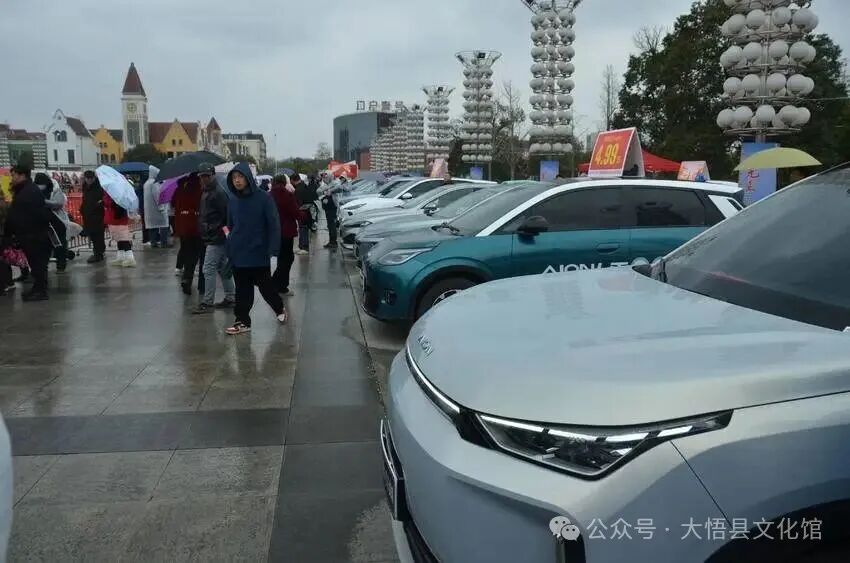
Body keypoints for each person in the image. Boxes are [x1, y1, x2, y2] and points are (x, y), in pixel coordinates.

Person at [224, 162, 286, 335]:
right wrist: (229, 245)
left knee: (266, 288)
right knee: (242, 290)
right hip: (238, 253)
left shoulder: (264, 198)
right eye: (234, 178)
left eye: (240, 177)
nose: (237, 181)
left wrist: (273, 248)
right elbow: (229, 225)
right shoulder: (233, 200)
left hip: (258, 252)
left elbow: (274, 224)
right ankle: (242, 321)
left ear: (248, 178)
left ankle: (279, 308)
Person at [4, 165, 51, 301]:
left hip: (33, 234)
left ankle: (40, 291)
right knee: (36, 264)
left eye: (13, 175)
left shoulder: (28, 191)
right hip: (30, 233)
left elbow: (26, 214)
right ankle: (38, 288)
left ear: (22, 175)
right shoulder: (26, 190)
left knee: (38, 264)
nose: (12, 178)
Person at [193, 164, 235, 314]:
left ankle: (208, 302)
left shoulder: (217, 193)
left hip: (216, 237)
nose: (204, 179)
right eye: (202, 176)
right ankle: (230, 297)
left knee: (208, 268)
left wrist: (215, 229)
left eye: (206, 176)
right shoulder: (208, 191)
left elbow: (226, 215)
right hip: (214, 235)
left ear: (212, 175)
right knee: (222, 268)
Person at [172, 174, 205, 295]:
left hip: (183, 226)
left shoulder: (180, 188)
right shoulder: (200, 189)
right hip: (197, 226)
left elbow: (173, 203)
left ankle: (187, 278)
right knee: (202, 255)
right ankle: (202, 285)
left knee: (189, 254)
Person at [270, 174, 302, 296]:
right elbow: (295, 212)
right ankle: (278, 285)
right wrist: (304, 215)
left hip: (274, 232)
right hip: (286, 231)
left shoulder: (268, 195)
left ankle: (279, 285)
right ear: (284, 182)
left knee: (281, 258)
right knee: (288, 259)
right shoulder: (287, 195)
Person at [34, 173, 70, 273]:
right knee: (44, 246)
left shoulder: (55, 189)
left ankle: (61, 265)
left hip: (57, 222)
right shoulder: (34, 191)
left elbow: (58, 203)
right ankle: (42, 268)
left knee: (59, 244)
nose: (40, 186)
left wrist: (44, 202)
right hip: (42, 222)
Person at [104, 191, 136, 268]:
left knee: (123, 239)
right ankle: (120, 257)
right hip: (116, 219)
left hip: (117, 219)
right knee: (119, 239)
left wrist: (103, 201)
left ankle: (130, 258)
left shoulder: (115, 192)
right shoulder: (117, 191)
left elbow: (109, 203)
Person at [81, 170, 106, 263]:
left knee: (98, 235)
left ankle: (98, 254)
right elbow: (85, 199)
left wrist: (99, 204)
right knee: (93, 235)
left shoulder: (99, 187)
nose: (89, 180)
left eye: (91, 178)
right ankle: (99, 251)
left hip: (97, 214)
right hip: (88, 214)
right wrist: (82, 209)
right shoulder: (85, 187)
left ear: (94, 178)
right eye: (87, 178)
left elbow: (103, 199)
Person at [143, 165, 170, 248]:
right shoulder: (154, 183)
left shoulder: (146, 183)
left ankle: (153, 242)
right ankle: (164, 243)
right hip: (157, 209)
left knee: (152, 227)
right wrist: (161, 207)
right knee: (164, 225)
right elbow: (157, 196)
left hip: (149, 210)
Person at [293, 173, 316, 254]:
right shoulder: (304, 186)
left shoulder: (299, 189)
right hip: (306, 210)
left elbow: (298, 201)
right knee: (302, 228)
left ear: (293, 180)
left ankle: (304, 247)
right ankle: (301, 246)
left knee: (303, 228)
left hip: (303, 211)